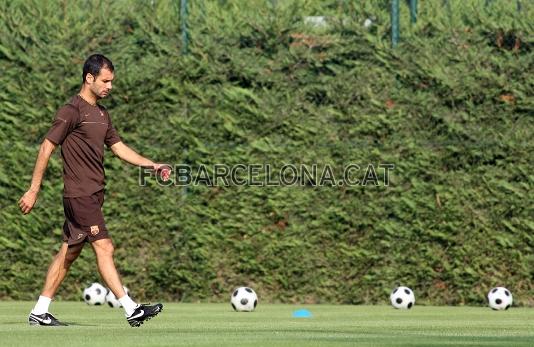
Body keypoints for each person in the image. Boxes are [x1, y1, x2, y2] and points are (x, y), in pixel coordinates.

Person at [18, 54, 170, 327]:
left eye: (111, 81)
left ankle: (39, 311)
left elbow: (119, 148)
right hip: (80, 195)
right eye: (105, 80)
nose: (110, 86)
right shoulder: (71, 111)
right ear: (89, 78)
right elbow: (46, 147)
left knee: (69, 251)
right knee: (104, 246)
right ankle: (131, 308)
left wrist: (152, 164)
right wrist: (33, 190)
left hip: (94, 194)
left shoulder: (102, 115)